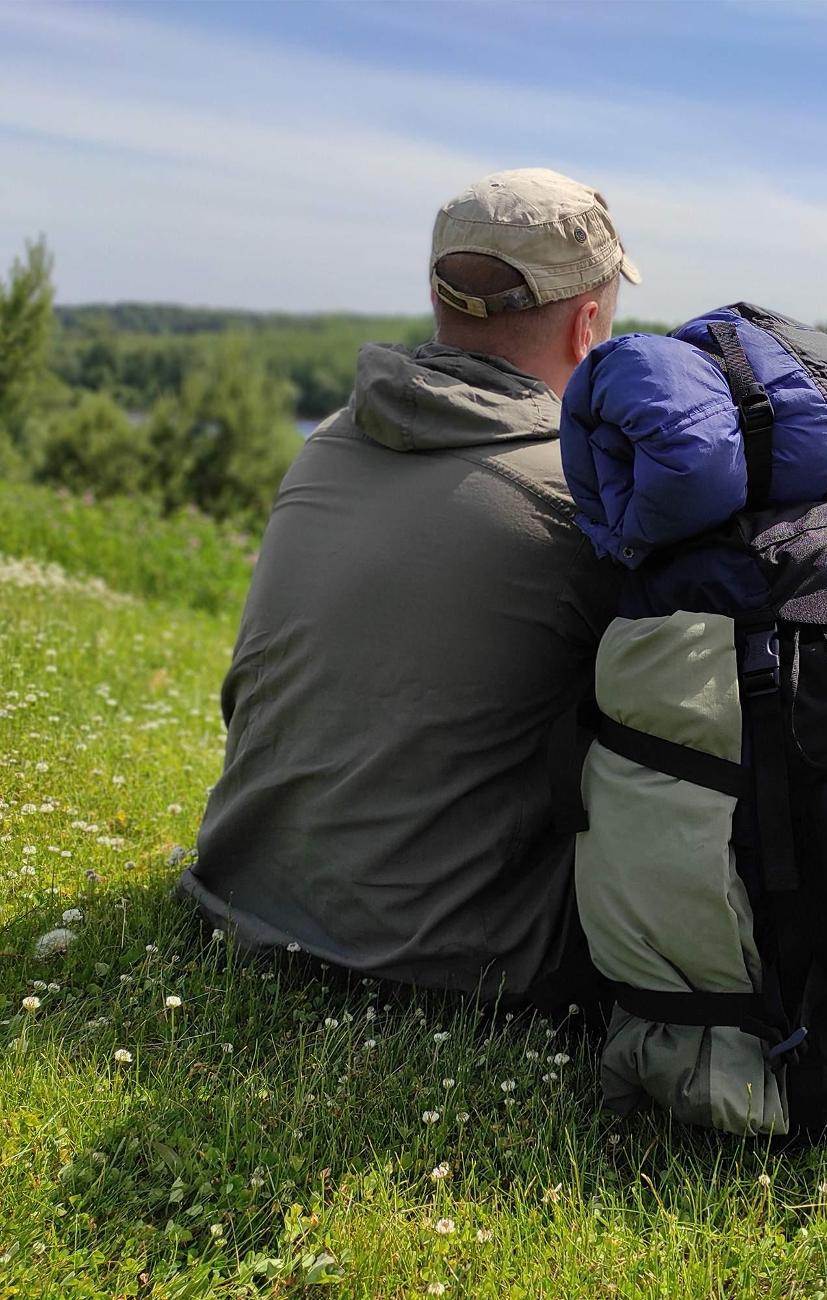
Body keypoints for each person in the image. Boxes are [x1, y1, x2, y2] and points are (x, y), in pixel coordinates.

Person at [177, 168, 638, 1009]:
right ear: (586, 326)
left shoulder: (328, 443)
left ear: (441, 299)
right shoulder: (580, 496)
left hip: (237, 895)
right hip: (446, 967)